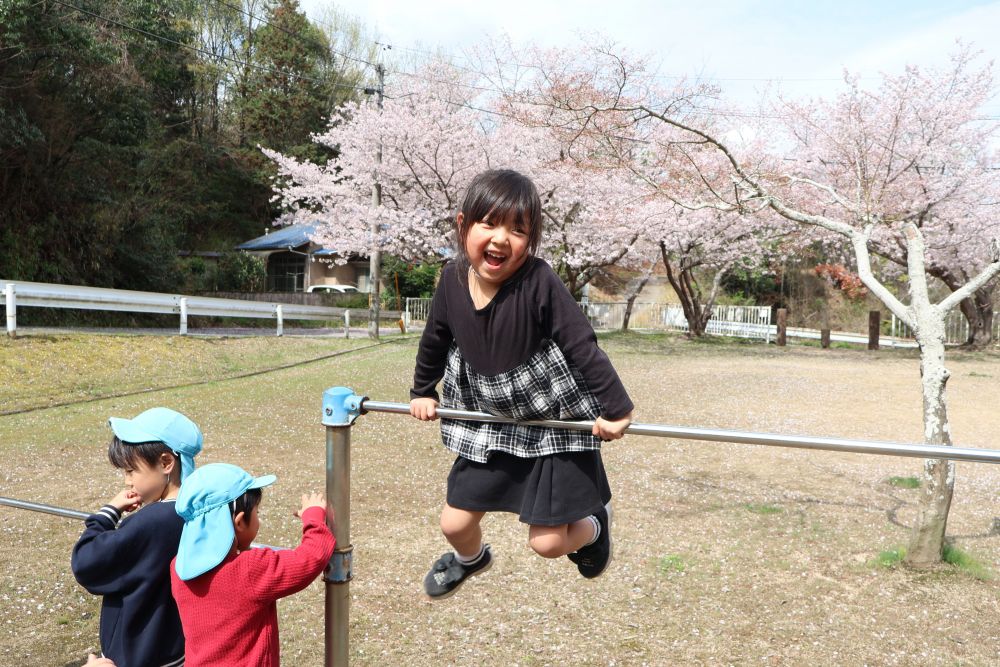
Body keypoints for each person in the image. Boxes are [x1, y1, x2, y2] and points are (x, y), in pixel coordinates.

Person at [410, 169, 634, 599]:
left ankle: (595, 525)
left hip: (551, 419)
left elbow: (580, 344)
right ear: (463, 226)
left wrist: (616, 408)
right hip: (491, 418)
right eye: (488, 223)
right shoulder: (452, 280)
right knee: (453, 523)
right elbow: (434, 338)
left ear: (530, 242)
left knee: (548, 543)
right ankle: (471, 560)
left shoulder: (538, 281)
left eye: (518, 230)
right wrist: (422, 391)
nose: (501, 239)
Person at [71, 407, 204, 667]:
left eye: (131, 471)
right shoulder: (198, 512)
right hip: (178, 651)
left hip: (139, 656)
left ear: (166, 463)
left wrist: (106, 515)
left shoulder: (152, 522)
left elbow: (87, 564)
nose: (127, 481)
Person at [170, 463, 335, 666]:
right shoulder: (250, 570)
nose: (258, 519)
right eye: (257, 513)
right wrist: (314, 517)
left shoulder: (177, 568)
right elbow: (310, 558)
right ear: (239, 522)